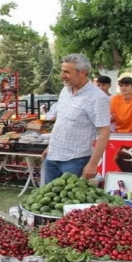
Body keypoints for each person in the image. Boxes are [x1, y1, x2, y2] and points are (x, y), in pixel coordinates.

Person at [43, 54, 111, 183]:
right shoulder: (65, 90)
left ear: (83, 73)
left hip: (76, 160)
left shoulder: (97, 98)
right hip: (52, 157)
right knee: (48, 201)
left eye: (67, 72)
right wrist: (50, 147)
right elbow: (61, 121)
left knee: (70, 202)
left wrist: (92, 164)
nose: (62, 75)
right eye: (62, 71)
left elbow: (104, 132)